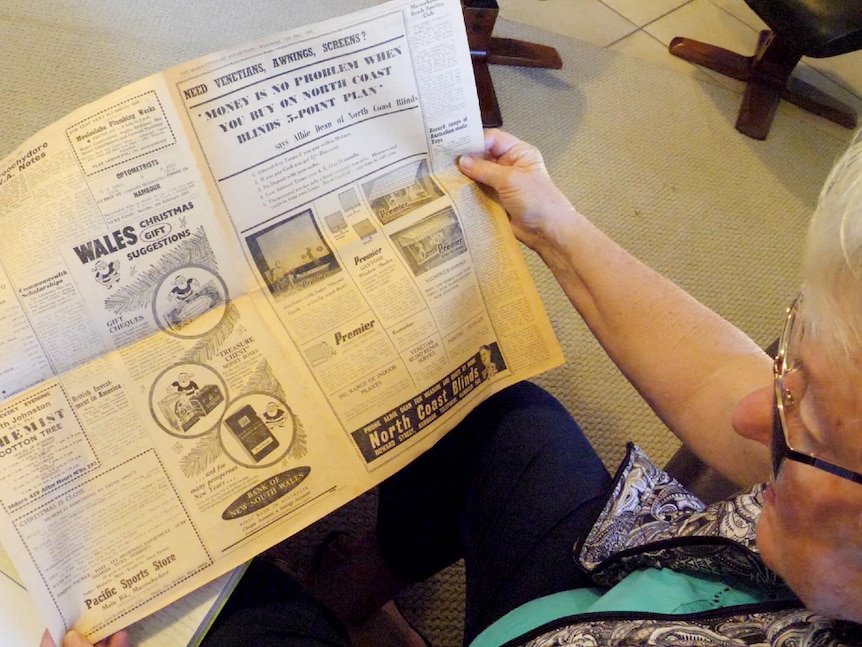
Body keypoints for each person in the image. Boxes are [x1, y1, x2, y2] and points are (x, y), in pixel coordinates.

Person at [43, 126, 862, 646]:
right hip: (641, 579)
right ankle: (352, 592)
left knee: (224, 612)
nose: (760, 413)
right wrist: (560, 227)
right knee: (504, 419)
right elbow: (734, 390)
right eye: (792, 373)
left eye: (809, 428)